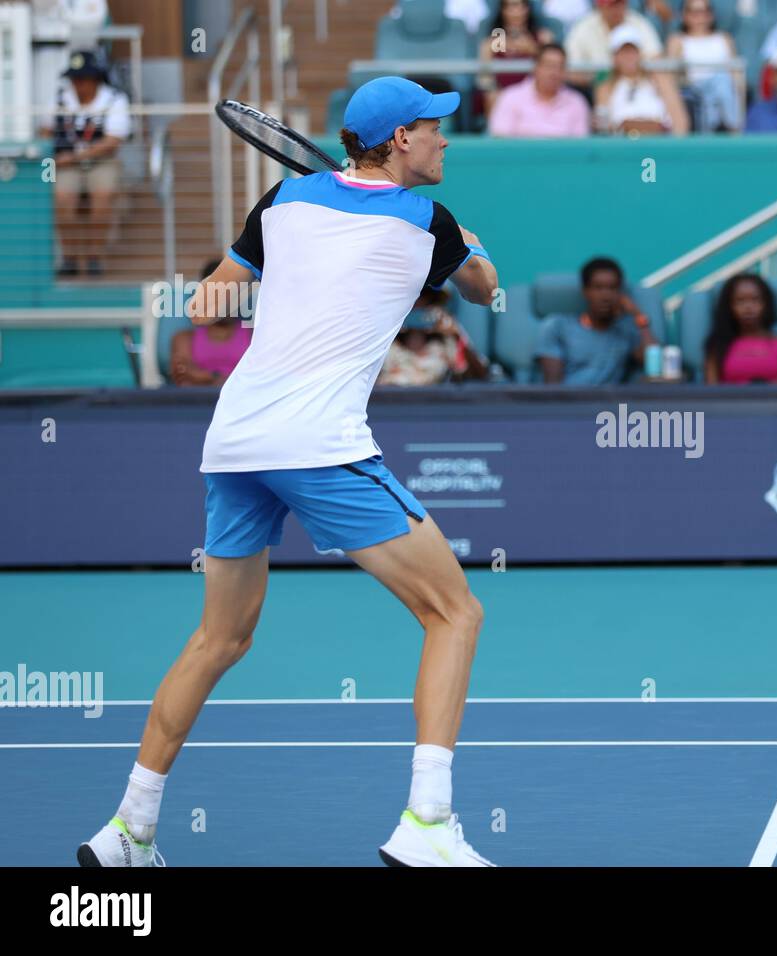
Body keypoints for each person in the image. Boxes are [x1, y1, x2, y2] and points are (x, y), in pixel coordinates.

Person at [75, 77, 500, 868]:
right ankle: (428, 823)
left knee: (218, 638)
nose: (447, 137)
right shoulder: (430, 222)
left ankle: (129, 829)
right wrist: (465, 243)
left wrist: (302, 280)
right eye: (434, 126)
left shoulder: (283, 200)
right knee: (456, 613)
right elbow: (483, 287)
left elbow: (205, 310)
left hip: (235, 441)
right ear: (399, 139)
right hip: (320, 443)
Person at [39, 49, 130, 277]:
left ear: (95, 79)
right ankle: (69, 257)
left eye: (82, 78)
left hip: (101, 161)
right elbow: (44, 131)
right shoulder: (60, 98)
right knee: (61, 198)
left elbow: (113, 141)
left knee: (103, 196)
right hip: (65, 163)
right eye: (74, 78)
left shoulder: (114, 99)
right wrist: (51, 156)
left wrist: (75, 156)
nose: (77, 84)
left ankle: (94, 257)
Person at [535, 257, 658, 384]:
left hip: (608, 402)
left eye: (612, 288)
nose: (606, 296)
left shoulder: (626, 329)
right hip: (568, 401)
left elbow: (654, 365)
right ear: (585, 291)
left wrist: (638, 315)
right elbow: (552, 385)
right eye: (598, 288)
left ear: (620, 293)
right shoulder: (557, 326)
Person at [703, 274, 777, 384]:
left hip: (775, 400)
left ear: (766, 304)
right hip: (731, 401)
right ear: (729, 306)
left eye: (755, 300)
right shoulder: (717, 345)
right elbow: (711, 394)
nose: (748, 307)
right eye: (740, 301)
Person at [379, 290, 490, 385]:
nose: (419, 302)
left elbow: (480, 375)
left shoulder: (447, 339)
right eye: (413, 294)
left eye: (426, 296)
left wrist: (456, 335)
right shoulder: (383, 336)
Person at [170, 258, 253, 386]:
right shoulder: (184, 340)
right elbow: (184, 382)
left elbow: (259, 381)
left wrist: (207, 377)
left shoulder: (255, 336)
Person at [594, 27, 690, 135]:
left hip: (658, 143)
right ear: (615, 56)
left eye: (632, 51)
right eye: (623, 52)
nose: (629, 57)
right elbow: (603, 125)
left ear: (639, 53)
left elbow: (680, 120)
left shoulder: (659, 81)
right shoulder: (607, 86)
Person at [668, 0, 744, 131]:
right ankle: (726, 127)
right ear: (684, 15)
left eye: (704, 11)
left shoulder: (724, 38)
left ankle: (733, 128)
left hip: (723, 90)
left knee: (723, 82)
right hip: (693, 88)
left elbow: (736, 74)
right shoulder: (678, 40)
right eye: (694, 12)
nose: (700, 17)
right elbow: (671, 75)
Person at [488, 43, 591, 137]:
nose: (554, 73)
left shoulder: (576, 102)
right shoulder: (511, 98)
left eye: (560, 67)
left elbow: (580, 147)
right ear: (536, 67)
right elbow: (500, 142)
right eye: (549, 66)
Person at [476, 0, 556, 115]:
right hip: (501, 94)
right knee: (491, 96)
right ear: (502, 10)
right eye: (510, 6)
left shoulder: (543, 37)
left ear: (527, 9)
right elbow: (485, 79)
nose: (516, 12)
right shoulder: (490, 43)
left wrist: (534, 50)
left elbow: (552, 64)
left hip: (535, 92)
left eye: (520, 6)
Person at [565, 0, 662, 82]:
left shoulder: (639, 23)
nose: (617, 9)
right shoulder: (584, 27)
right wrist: (603, 80)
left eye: (620, 3)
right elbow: (571, 67)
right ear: (600, 6)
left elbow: (655, 57)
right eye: (612, 5)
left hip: (635, 84)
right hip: (593, 88)